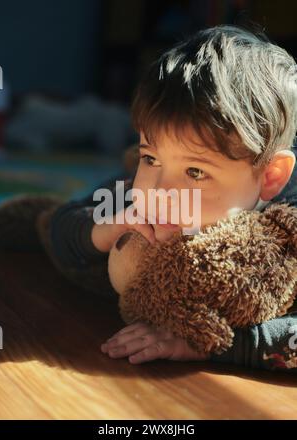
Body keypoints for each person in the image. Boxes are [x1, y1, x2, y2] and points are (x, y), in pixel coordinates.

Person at [49, 24, 297, 371]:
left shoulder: (289, 223)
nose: (157, 191)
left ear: (270, 177)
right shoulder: (142, 193)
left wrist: (211, 342)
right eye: (150, 157)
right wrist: (100, 231)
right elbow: (60, 223)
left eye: (195, 172)